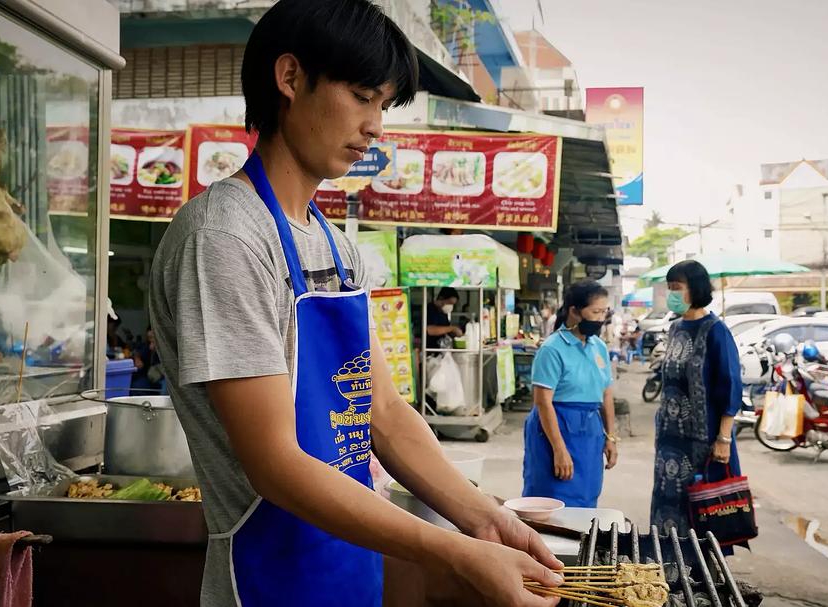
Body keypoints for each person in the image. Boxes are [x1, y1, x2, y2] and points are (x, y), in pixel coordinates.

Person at [148, 2, 564, 606]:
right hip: (270, 583)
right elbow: (275, 464)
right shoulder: (227, 237)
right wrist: (457, 551)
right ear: (289, 78)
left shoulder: (334, 244)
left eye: (383, 106)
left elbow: (384, 413)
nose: (376, 128)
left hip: (351, 571)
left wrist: (484, 518)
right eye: (362, 96)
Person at [650, 260, 744, 554]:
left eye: (677, 288)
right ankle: (669, 567)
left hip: (704, 443)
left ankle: (704, 576)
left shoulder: (716, 331)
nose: (672, 294)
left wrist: (724, 438)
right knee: (668, 506)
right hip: (669, 442)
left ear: (696, 289)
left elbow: (730, 385)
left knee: (703, 511)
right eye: (669, 289)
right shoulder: (676, 328)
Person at [523, 281, 620, 508]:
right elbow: (543, 402)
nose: (600, 318)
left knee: (586, 496)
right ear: (574, 311)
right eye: (595, 312)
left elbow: (606, 394)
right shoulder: (552, 349)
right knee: (550, 497)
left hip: (589, 431)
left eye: (604, 312)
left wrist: (611, 437)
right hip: (556, 427)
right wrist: (559, 449)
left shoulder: (599, 347)